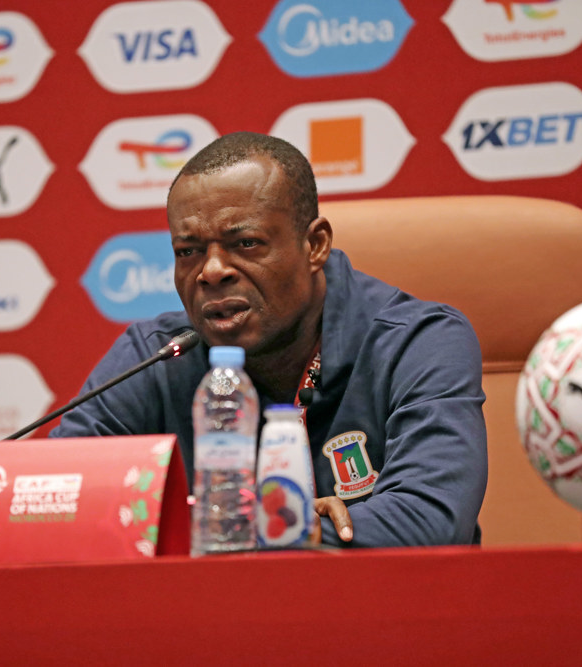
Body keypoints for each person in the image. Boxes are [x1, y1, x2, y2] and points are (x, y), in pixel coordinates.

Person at [51, 132, 487, 547]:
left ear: (315, 245)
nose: (211, 271)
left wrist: (285, 532)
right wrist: (283, 528)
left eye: (245, 243)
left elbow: (431, 520)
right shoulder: (157, 356)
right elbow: (58, 500)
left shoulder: (417, 342)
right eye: (188, 251)